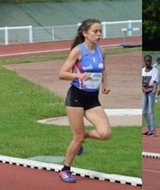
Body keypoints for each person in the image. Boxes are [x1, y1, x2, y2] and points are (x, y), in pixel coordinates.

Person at [58, 18, 111, 183]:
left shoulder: (101, 51)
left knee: (105, 133)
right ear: (85, 33)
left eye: (100, 31)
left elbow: (103, 69)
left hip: (92, 99)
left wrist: (105, 84)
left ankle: (82, 137)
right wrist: (78, 75)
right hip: (76, 97)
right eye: (95, 31)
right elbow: (62, 73)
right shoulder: (78, 51)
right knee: (77, 138)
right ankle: (65, 169)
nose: (99, 34)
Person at [142, 55, 159, 136]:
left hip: (151, 91)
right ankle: (148, 128)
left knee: (151, 110)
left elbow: (155, 81)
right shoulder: (142, 70)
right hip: (144, 91)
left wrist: (154, 91)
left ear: (151, 61)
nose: (148, 62)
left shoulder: (155, 70)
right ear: (144, 61)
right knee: (144, 112)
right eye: (146, 61)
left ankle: (153, 129)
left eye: (149, 61)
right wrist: (143, 88)